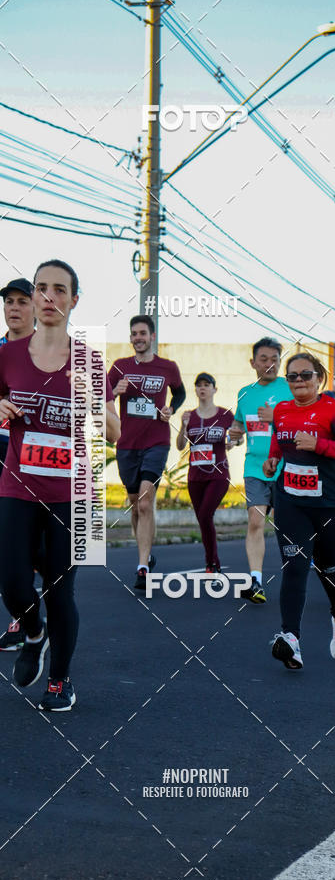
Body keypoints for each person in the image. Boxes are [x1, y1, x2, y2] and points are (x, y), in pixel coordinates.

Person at [0, 259, 120, 710]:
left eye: (59, 290)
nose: (49, 297)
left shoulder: (89, 359)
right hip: (16, 485)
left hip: (72, 495)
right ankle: (33, 633)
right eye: (41, 288)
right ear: (33, 297)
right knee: (11, 582)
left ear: (73, 301)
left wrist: (92, 403)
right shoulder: (8, 354)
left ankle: (61, 681)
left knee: (59, 588)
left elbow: (114, 433)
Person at [264, 353, 335, 670]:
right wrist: (272, 460)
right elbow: (278, 444)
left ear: (318, 378)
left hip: (329, 504)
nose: (299, 381)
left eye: (305, 375)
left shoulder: (332, 409)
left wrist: (319, 445)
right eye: (292, 376)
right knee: (294, 566)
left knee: (328, 568)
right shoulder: (281, 410)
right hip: (290, 500)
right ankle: (291, 639)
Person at [108, 315, 185, 590]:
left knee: (144, 501)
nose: (138, 337)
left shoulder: (168, 367)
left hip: (157, 442)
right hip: (127, 444)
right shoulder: (119, 367)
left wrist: (171, 409)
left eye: (142, 333)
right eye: (134, 333)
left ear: (152, 336)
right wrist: (114, 391)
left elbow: (180, 394)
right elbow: (103, 398)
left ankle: (142, 567)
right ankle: (147, 553)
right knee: (134, 504)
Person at [229, 337, 292, 604]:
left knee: (289, 527)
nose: (270, 364)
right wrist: (234, 436)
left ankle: (301, 570)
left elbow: (303, 422)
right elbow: (239, 428)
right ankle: (255, 579)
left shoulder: (289, 389)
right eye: (264, 359)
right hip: (255, 467)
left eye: (275, 359)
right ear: (253, 362)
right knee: (256, 521)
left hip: (288, 466)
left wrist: (276, 416)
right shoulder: (244, 393)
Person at [0, 277, 36, 652]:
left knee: (24, 545)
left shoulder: (47, 353)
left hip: (32, 460)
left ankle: (22, 622)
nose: (13, 307)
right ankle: (20, 616)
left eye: (21, 301)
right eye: (8, 301)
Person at [176, 373, 234, 573]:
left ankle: (212, 561)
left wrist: (235, 442)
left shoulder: (225, 415)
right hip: (195, 476)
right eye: (199, 385)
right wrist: (183, 426)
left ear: (214, 389)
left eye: (207, 385)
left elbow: (236, 437)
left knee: (205, 514)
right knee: (203, 519)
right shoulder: (189, 416)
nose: (203, 388)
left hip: (218, 474)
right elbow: (180, 445)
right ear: (196, 390)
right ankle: (210, 561)